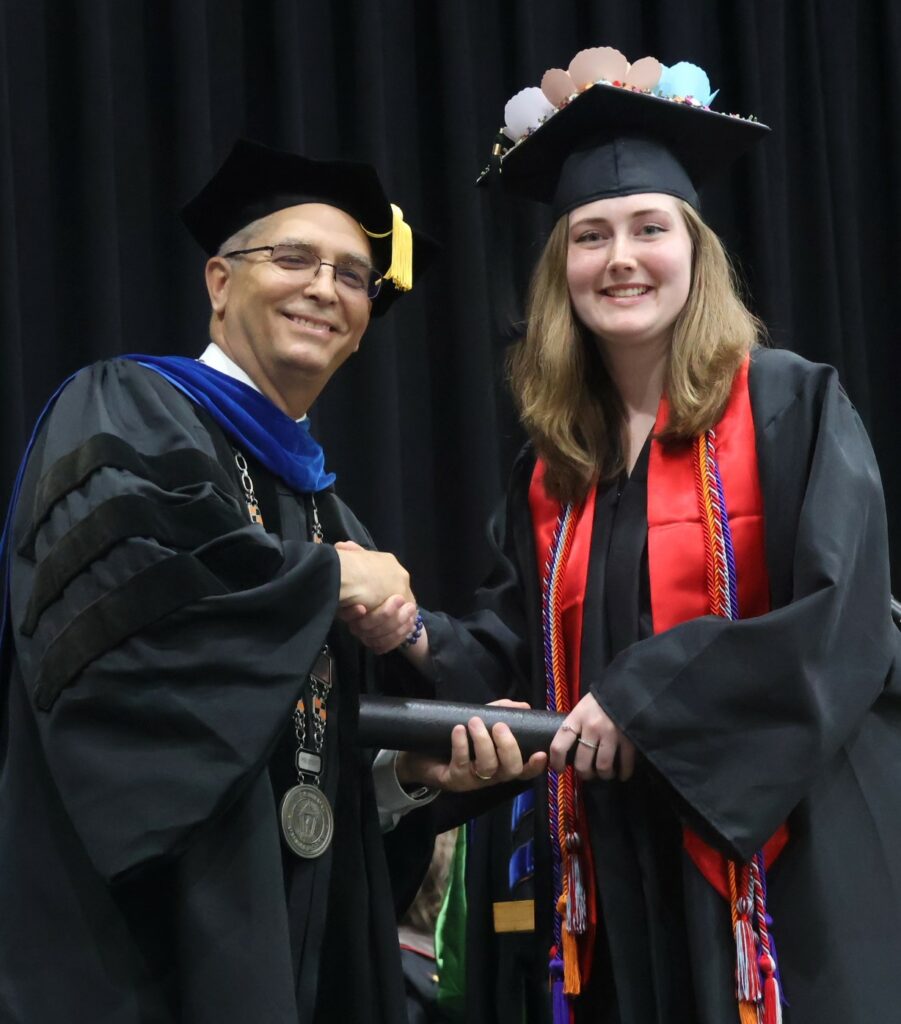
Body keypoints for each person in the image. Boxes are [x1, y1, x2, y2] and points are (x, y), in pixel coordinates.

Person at [350, 47, 901, 1024]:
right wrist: (409, 635)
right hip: (613, 874)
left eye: (650, 228)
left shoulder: (788, 404)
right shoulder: (552, 469)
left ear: (694, 250)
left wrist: (645, 692)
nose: (621, 258)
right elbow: (523, 661)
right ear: (560, 269)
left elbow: (845, 621)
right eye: (590, 234)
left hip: (787, 867)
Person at [0, 139, 544, 1024]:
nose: (324, 288)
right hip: (134, 949)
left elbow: (303, 760)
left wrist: (407, 775)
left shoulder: (329, 514)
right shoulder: (121, 410)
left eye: (355, 276)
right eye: (292, 258)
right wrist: (324, 580)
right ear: (219, 281)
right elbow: (125, 659)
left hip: (294, 959)